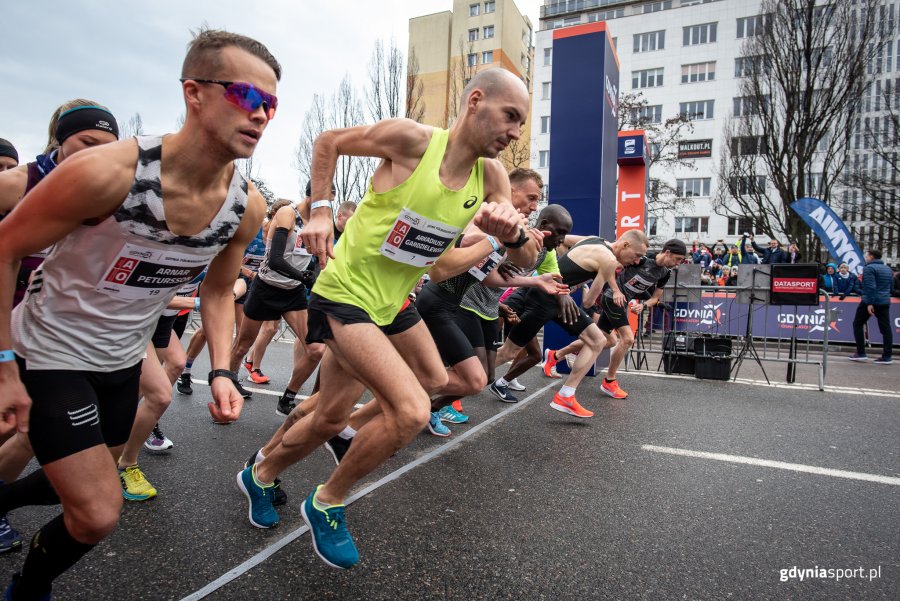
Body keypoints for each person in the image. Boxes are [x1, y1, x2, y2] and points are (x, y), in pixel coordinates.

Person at [0, 29, 276, 599]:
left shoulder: (244, 206)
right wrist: (5, 365)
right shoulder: (107, 173)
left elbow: (219, 293)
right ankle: (27, 589)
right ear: (194, 93)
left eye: (272, 105)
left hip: (123, 359)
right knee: (99, 512)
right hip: (51, 352)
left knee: (71, 488)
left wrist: (221, 369)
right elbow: (4, 250)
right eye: (248, 97)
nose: (262, 115)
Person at [236, 68, 541, 570]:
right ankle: (328, 502)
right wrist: (319, 209)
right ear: (475, 101)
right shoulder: (413, 142)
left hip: (393, 304)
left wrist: (508, 235)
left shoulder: (491, 178)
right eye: (510, 117)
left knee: (359, 405)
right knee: (412, 410)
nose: (514, 132)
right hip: (344, 294)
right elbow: (328, 141)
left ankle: (262, 472)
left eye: (521, 124)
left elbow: (520, 257)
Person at [0, 100, 120, 554]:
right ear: (59, 139)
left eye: (107, 147)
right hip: (7, 323)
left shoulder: (106, 188)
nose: (96, 155)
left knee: (26, 430)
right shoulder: (18, 182)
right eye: (87, 143)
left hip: (53, 331)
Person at [495, 230, 649, 417]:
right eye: (637, 255)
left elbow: (561, 241)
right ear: (625, 245)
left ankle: (566, 396)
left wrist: (561, 273)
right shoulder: (609, 260)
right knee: (508, 352)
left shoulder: (593, 239)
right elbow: (588, 302)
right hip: (544, 299)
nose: (636, 261)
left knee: (597, 340)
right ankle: (460, 379)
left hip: (558, 300)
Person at [849, 249, 893, 364]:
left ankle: (861, 352)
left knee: (857, 324)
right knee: (886, 329)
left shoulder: (869, 268)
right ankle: (887, 356)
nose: (866, 258)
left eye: (867, 256)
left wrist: (869, 303)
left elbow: (870, 287)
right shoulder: (888, 269)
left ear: (872, 257)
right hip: (884, 301)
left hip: (871, 301)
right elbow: (891, 288)